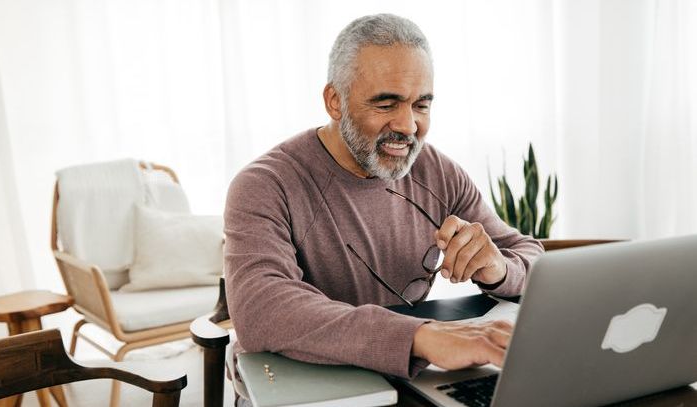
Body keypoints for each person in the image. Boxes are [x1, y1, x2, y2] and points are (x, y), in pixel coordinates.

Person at [225, 13, 543, 385]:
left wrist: (499, 267)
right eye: (386, 104)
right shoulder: (264, 184)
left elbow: (530, 256)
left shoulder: (437, 171)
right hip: (297, 382)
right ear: (335, 101)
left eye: (421, 105)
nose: (408, 126)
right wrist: (420, 337)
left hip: (401, 376)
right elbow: (262, 310)